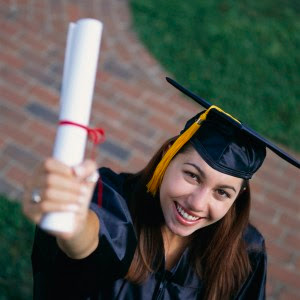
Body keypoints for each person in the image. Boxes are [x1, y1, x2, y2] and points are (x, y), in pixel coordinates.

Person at [23, 78, 299, 300]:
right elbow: (92, 236)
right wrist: (73, 222)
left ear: (238, 198)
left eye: (222, 192)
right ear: (168, 156)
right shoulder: (115, 197)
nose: (197, 203)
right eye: (192, 175)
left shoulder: (246, 251)